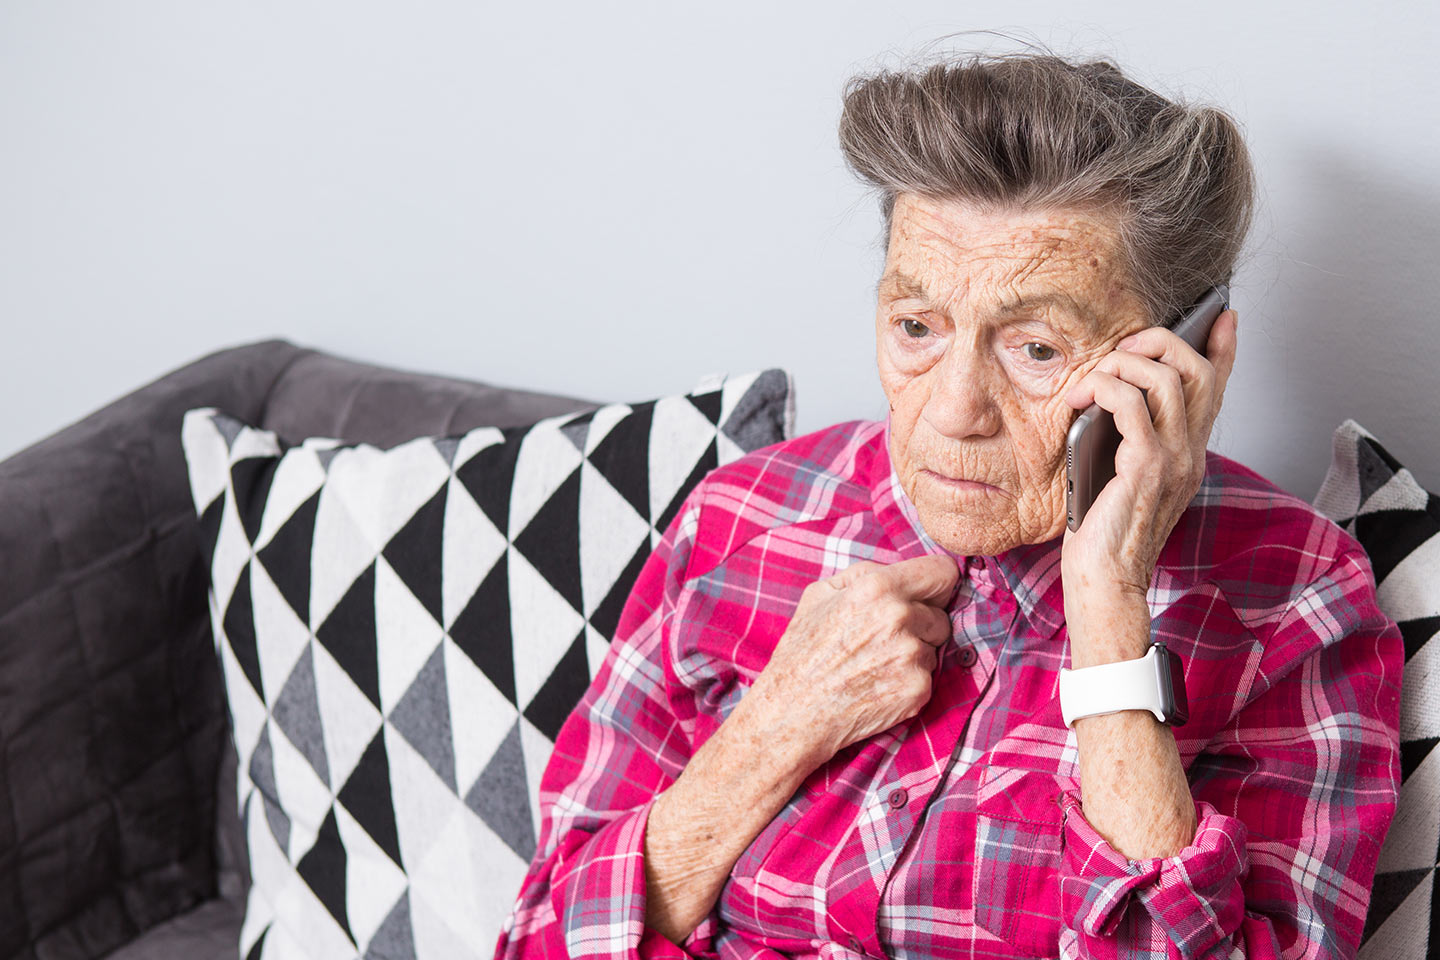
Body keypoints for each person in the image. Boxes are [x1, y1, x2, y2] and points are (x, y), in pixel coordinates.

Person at [493, 49, 1402, 960]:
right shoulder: (743, 517)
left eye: (1037, 347)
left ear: (1188, 355)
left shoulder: (1296, 599)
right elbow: (537, 938)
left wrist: (1108, 608)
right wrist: (777, 727)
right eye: (917, 328)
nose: (954, 411)